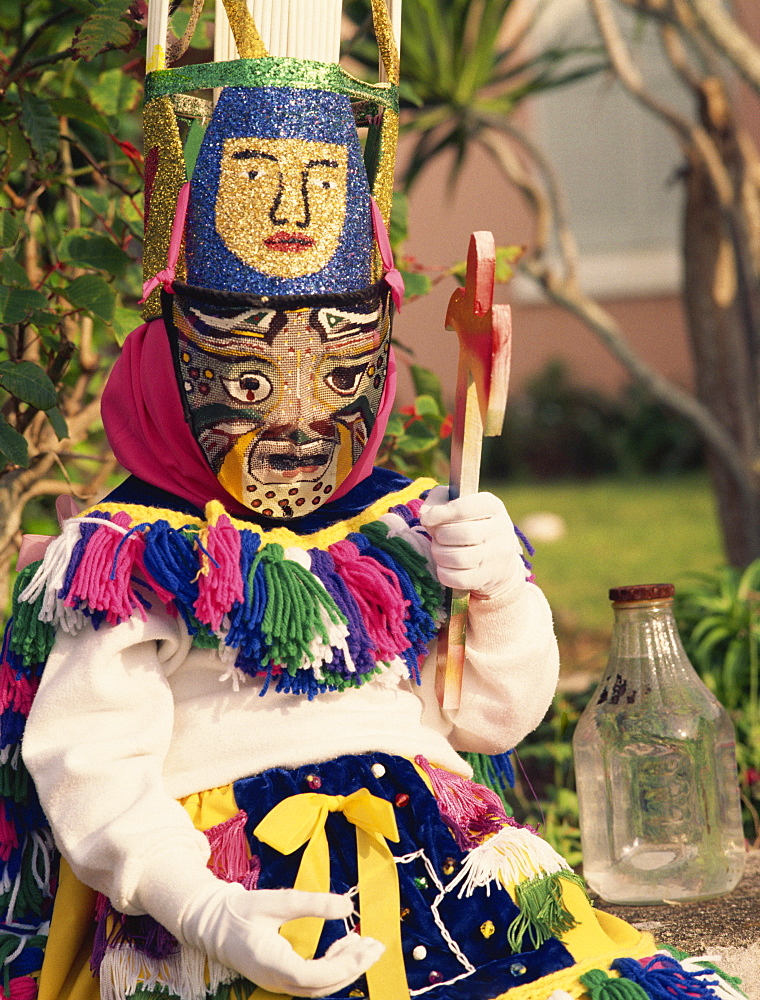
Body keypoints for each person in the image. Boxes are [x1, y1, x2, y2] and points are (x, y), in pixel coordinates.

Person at [1, 17, 743, 1000]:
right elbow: (90, 772)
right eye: (250, 382)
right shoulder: (133, 555)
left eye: (343, 373)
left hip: (447, 872)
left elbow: (491, 717)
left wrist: (500, 599)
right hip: (235, 895)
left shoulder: (399, 526)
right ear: (168, 366)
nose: (304, 420)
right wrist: (203, 903)